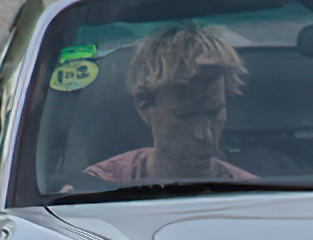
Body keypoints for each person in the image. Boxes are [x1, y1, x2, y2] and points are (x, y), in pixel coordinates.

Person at [83, 23, 257, 183]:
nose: (204, 135)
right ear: (144, 108)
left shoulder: (254, 196)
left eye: (214, 113)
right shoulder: (97, 186)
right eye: (185, 115)